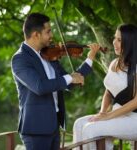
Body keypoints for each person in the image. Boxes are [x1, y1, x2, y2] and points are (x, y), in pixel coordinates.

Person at [11, 12, 99, 150]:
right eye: (48, 31)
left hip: (53, 126)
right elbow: (40, 86)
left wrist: (90, 59)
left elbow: (70, 82)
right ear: (36, 34)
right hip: (36, 130)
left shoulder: (49, 55)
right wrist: (70, 77)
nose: (52, 35)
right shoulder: (20, 59)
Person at [73, 23, 137, 150]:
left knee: (91, 129)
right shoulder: (114, 63)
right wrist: (102, 112)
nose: (114, 42)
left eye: (119, 40)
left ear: (129, 42)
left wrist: (108, 116)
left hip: (133, 118)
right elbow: (108, 92)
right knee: (79, 124)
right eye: (115, 38)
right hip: (117, 114)